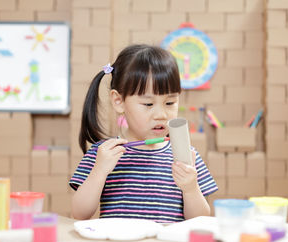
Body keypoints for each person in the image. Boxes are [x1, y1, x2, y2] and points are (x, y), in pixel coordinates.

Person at [69, 44, 218, 223]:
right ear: (118, 101)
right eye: (148, 104)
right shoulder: (103, 154)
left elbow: (201, 220)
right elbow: (79, 214)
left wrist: (190, 188)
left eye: (170, 103)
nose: (161, 115)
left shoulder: (186, 155)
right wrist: (100, 171)